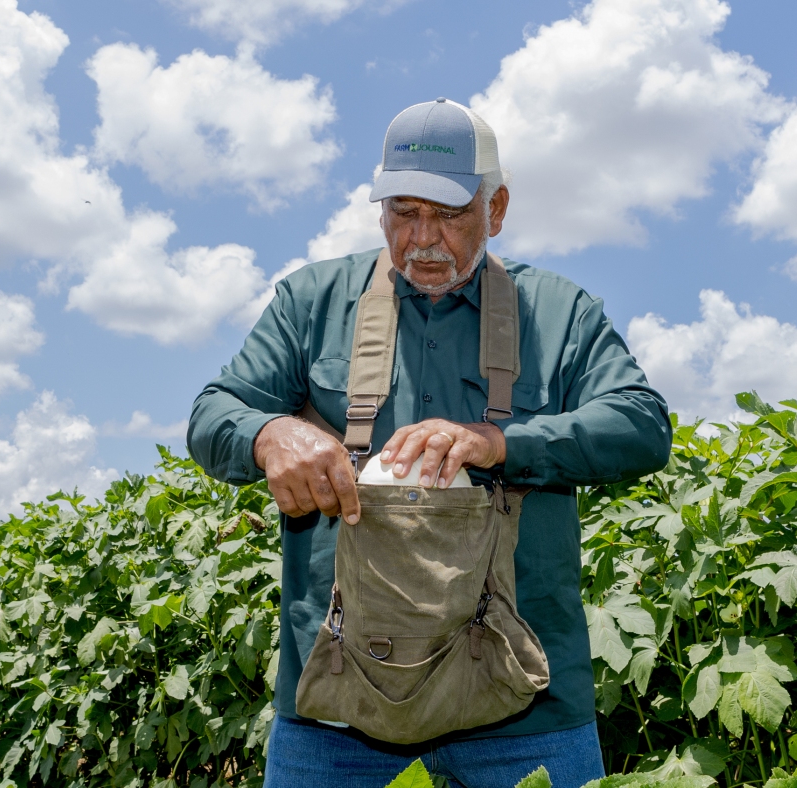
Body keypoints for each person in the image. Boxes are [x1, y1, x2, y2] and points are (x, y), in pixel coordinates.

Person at [188, 98, 672, 788]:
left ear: (496, 209)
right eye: (405, 213)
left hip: (524, 709)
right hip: (336, 717)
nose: (423, 238)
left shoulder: (561, 313)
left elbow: (642, 426)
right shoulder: (311, 303)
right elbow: (213, 413)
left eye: (449, 216)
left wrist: (500, 444)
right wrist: (269, 433)